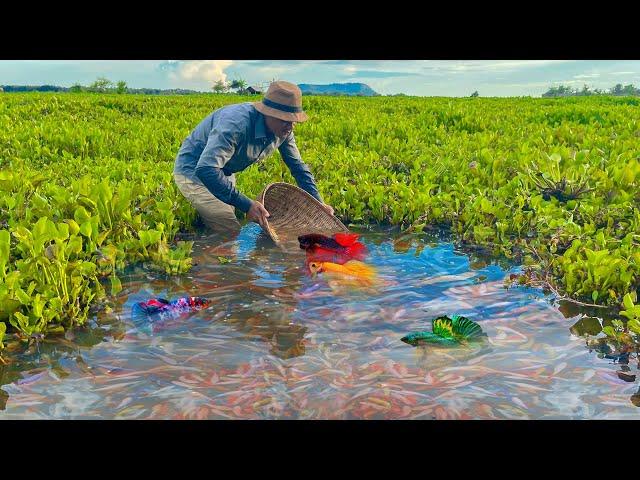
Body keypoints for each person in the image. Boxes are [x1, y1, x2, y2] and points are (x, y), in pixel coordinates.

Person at [173, 80, 334, 238]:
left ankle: (209, 232)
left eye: (293, 121)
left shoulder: (285, 130)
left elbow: (298, 167)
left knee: (228, 218)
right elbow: (206, 169)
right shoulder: (235, 124)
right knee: (230, 231)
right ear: (268, 114)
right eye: (285, 120)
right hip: (194, 171)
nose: (290, 126)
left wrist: (318, 204)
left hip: (223, 171)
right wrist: (247, 204)